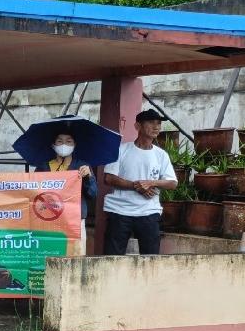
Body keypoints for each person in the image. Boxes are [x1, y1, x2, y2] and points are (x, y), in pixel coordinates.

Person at [102, 109, 177, 254]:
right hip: (119, 210)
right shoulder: (121, 150)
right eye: (151, 122)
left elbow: (172, 183)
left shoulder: (161, 155)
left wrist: (151, 183)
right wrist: (137, 186)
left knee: (150, 258)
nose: (156, 127)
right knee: (111, 258)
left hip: (149, 211)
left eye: (158, 123)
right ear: (138, 126)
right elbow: (109, 178)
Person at [32, 126, 97, 256]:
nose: (64, 145)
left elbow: (93, 193)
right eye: (60, 141)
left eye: (68, 141)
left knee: (76, 256)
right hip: (49, 220)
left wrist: (88, 177)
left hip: (75, 220)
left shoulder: (82, 167)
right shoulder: (43, 167)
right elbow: (34, 193)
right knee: (49, 255)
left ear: (74, 145)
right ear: (53, 145)